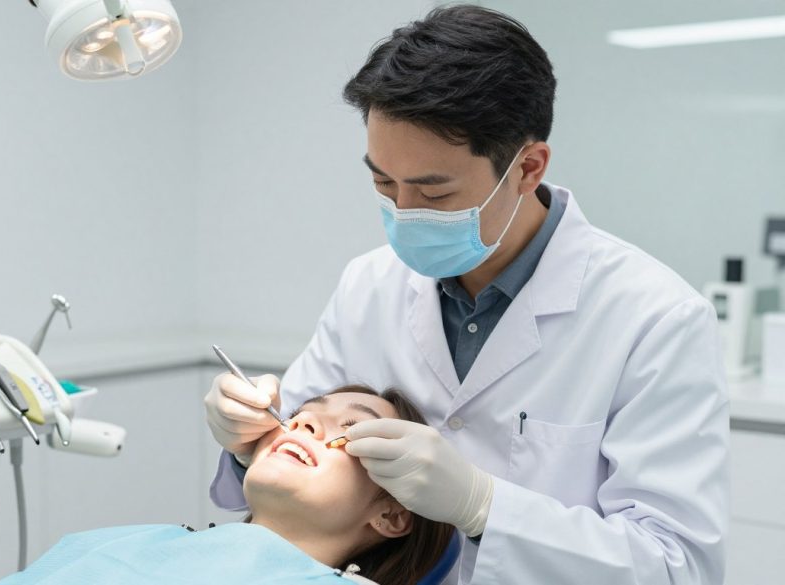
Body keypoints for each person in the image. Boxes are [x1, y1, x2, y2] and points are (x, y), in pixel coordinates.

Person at [205, 5, 729, 585]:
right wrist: (246, 439)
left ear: (527, 167)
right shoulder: (369, 285)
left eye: (434, 191)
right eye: (383, 181)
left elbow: (678, 569)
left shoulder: (655, 318)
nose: (403, 211)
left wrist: (484, 506)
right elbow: (293, 460)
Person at [0, 387, 454, 585]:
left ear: (392, 515)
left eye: (353, 429)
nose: (307, 422)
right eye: (301, 413)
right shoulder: (122, 544)